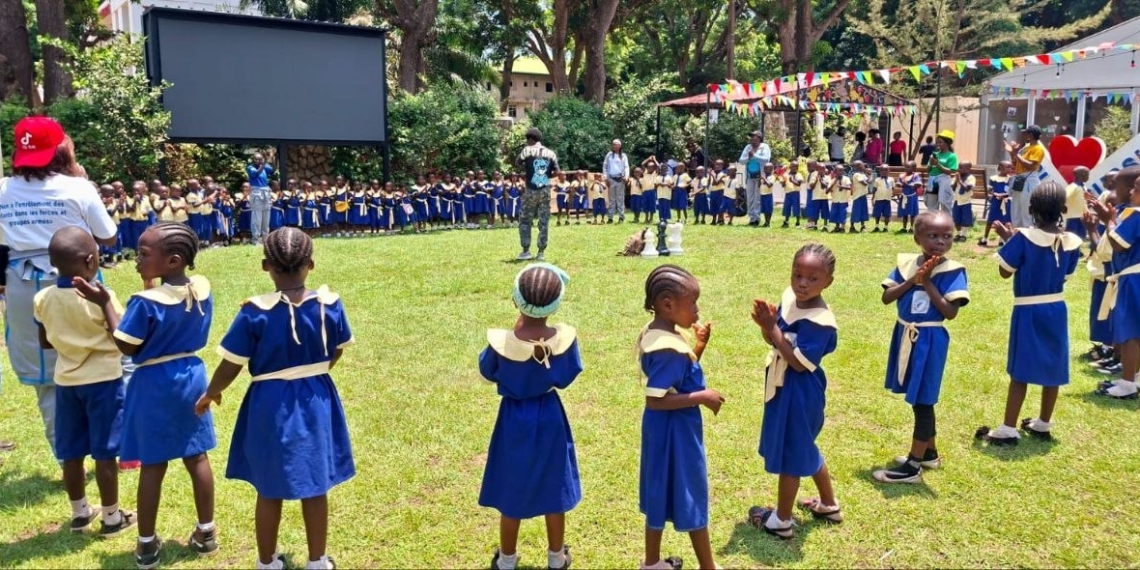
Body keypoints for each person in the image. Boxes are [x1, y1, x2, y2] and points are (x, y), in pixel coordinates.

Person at [194, 228, 352, 570]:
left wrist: (211, 392)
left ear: (266, 266)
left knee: (268, 486)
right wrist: (315, 372)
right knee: (315, 484)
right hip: (316, 399)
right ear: (311, 264)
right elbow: (336, 351)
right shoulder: (330, 305)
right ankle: (317, 561)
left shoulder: (255, 313)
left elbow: (231, 364)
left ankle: (266, 562)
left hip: (269, 403)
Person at [0, 117, 119, 459]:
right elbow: (108, 236)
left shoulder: (3, 188)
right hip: (80, 282)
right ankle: (112, 449)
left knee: (47, 378)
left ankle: (67, 455)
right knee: (101, 358)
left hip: (23, 284)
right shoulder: (77, 187)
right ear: (61, 150)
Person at [105, 222, 218, 568]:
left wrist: (104, 306)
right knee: (196, 456)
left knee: (153, 463)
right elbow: (171, 307)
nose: (136, 259)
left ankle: (146, 544)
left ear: (171, 261)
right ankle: (206, 532)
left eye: (143, 254)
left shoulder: (143, 303)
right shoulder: (200, 288)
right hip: (192, 375)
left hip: (154, 381)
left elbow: (124, 342)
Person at [477, 263, 580, 570]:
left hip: (513, 420)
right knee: (554, 486)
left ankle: (507, 560)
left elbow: (487, 370)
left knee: (512, 488)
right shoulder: (563, 340)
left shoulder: (503, 344)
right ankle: (556, 556)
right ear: (557, 303)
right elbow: (567, 376)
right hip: (549, 416)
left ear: (515, 300)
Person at [34, 226, 135, 537]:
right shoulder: (103, 297)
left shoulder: (42, 297)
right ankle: (112, 517)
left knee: (71, 452)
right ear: (91, 260)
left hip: (66, 382)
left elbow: (46, 343)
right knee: (105, 452)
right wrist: (105, 304)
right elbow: (122, 339)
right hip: (104, 381)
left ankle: (80, 513)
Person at [976, 183, 1081, 445]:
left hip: (1028, 308)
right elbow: (1065, 276)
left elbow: (1005, 271)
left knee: (1020, 368)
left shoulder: (1023, 237)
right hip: (1056, 307)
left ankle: (1009, 427)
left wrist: (1008, 240)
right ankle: (1044, 422)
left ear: (1031, 209)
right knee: (1053, 365)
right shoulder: (1072, 241)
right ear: (1064, 210)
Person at [749, 244, 841, 540]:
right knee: (803, 444)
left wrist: (771, 328)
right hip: (782, 385)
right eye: (797, 274)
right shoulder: (790, 298)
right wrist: (767, 327)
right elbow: (774, 341)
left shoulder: (821, 321)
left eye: (812, 279)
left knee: (792, 453)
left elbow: (800, 364)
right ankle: (828, 504)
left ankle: (782, 521)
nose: (802, 283)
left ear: (828, 282)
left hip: (800, 390)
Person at [873, 211, 969, 484]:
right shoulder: (906, 264)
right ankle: (929, 453)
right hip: (905, 334)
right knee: (919, 397)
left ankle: (912, 467)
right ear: (917, 238)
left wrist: (927, 282)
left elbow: (950, 312)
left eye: (947, 236)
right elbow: (886, 297)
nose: (941, 241)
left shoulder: (953, 271)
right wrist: (912, 280)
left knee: (923, 399)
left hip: (930, 339)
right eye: (933, 236)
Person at [638, 265, 722, 570]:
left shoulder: (659, 333)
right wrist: (703, 396)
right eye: (693, 303)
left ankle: (651, 563)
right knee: (692, 492)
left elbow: (677, 377)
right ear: (667, 304)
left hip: (665, 430)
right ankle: (708, 566)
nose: (697, 311)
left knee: (660, 490)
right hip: (675, 432)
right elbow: (656, 400)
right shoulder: (669, 348)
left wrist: (699, 346)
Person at [1091, 167, 1140, 398]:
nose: (1132, 193)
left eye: (1137, 189)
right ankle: (1134, 377)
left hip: (1133, 278)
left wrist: (1108, 221)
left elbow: (1119, 243)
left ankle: (1127, 383)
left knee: (1130, 332)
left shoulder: (1137, 215)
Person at [517, 128, 559, 262]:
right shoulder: (550, 153)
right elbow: (557, 172)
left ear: (530, 139)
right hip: (545, 190)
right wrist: (547, 175)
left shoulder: (527, 150)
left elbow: (517, 163)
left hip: (530, 190)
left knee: (525, 220)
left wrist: (528, 169)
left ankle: (526, 250)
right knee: (544, 221)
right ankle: (541, 252)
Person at [1007, 125, 1045, 228]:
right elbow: (1016, 164)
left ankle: (1029, 234)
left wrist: (1016, 154)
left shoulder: (1038, 149)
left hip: (1029, 180)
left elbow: (1031, 165)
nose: (1023, 136)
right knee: (1016, 209)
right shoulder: (1024, 148)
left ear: (1030, 135)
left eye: (1025, 134)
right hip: (1020, 178)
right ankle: (1017, 233)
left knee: (1027, 208)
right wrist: (1012, 154)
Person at [740, 131, 771, 226]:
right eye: (751, 137)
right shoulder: (748, 147)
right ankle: (751, 218)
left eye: (754, 136)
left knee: (757, 198)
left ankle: (757, 218)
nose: (752, 138)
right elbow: (741, 161)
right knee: (750, 198)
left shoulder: (764, 147)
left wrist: (754, 156)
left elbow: (766, 159)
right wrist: (748, 158)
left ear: (759, 138)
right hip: (749, 176)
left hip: (760, 176)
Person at [979, 161, 1013, 247]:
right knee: (990, 219)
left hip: (1006, 201)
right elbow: (990, 190)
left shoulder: (1011, 179)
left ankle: (1002, 240)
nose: (1010, 169)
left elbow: (1011, 191)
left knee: (1005, 220)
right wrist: (996, 194)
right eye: (1008, 167)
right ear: (1000, 168)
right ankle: (985, 238)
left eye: (1010, 167)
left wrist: (1004, 195)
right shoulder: (993, 178)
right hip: (995, 201)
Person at [928, 130, 959, 214]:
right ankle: (932, 224)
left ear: (947, 143)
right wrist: (931, 164)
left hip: (944, 180)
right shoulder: (935, 154)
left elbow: (951, 171)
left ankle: (946, 223)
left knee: (944, 203)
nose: (938, 144)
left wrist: (938, 164)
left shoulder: (952, 156)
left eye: (940, 142)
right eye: (937, 142)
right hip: (933, 180)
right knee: (932, 204)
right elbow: (929, 170)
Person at [247, 153, 275, 245]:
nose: (258, 161)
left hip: (266, 192)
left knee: (266, 217)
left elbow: (273, 170)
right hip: (256, 193)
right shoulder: (250, 168)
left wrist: (274, 158)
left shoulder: (264, 166)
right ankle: (255, 239)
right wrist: (264, 163)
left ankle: (265, 239)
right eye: (256, 159)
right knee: (257, 218)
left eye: (260, 159)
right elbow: (256, 173)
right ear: (253, 160)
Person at [604, 139, 630, 224]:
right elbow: (605, 166)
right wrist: (606, 178)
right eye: (613, 144)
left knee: (620, 198)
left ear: (620, 145)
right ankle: (610, 217)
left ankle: (621, 217)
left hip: (620, 178)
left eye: (616, 144)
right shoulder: (609, 155)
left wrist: (626, 176)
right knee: (611, 199)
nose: (614, 146)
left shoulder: (623, 155)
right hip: (611, 178)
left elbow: (626, 167)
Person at [952, 162, 976, 242]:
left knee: (965, 219)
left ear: (968, 169)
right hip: (957, 200)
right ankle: (958, 234)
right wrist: (956, 180)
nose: (959, 169)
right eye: (959, 167)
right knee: (956, 218)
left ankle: (964, 235)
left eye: (961, 168)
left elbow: (967, 189)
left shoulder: (971, 178)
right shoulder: (958, 177)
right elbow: (953, 188)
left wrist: (959, 181)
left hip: (966, 201)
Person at [1064, 166, 1091, 239]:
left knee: (1081, 236)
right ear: (1082, 174)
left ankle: (1077, 250)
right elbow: (1064, 197)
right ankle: (1070, 250)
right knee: (1071, 237)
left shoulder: (1083, 187)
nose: (1088, 177)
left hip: (1082, 217)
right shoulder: (1073, 187)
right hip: (1073, 217)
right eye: (1088, 174)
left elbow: (1083, 200)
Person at [898, 163, 922, 233]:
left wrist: (907, 184)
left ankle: (911, 227)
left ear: (914, 168)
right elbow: (898, 183)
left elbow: (917, 184)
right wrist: (899, 184)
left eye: (908, 167)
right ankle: (904, 227)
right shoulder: (902, 176)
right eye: (906, 167)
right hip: (904, 196)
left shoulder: (915, 175)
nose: (906, 169)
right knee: (905, 212)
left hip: (912, 197)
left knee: (912, 213)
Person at [872, 165, 894, 233]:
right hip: (879, 199)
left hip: (887, 200)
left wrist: (892, 194)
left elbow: (893, 188)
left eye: (886, 170)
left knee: (887, 214)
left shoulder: (891, 179)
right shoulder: (877, 180)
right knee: (877, 214)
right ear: (879, 171)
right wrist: (873, 197)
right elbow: (874, 189)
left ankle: (886, 227)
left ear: (889, 171)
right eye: (882, 170)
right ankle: (876, 226)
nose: (884, 172)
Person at [850, 162, 871, 233]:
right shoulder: (857, 175)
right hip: (857, 196)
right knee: (856, 211)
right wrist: (870, 176)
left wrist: (868, 175)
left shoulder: (863, 174)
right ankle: (852, 227)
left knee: (863, 211)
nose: (864, 166)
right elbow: (865, 183)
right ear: (858, 167)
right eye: (862, 165)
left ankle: (863, 226)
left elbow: (868, 181)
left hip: (863, 195)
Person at [781, 161, 802, 228]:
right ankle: (786, 221)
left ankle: (798, 222)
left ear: (797, 168)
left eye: (796, 167)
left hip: (795, 193)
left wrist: (792, 180)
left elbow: (799, 184)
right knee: (787, 207)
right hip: (788, 193)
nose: (794, 168)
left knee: (796, 207)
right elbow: (783, 185)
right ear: (790, 167)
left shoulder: (798, 175)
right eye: (793, 166)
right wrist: (783, 182)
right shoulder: (786, 174)